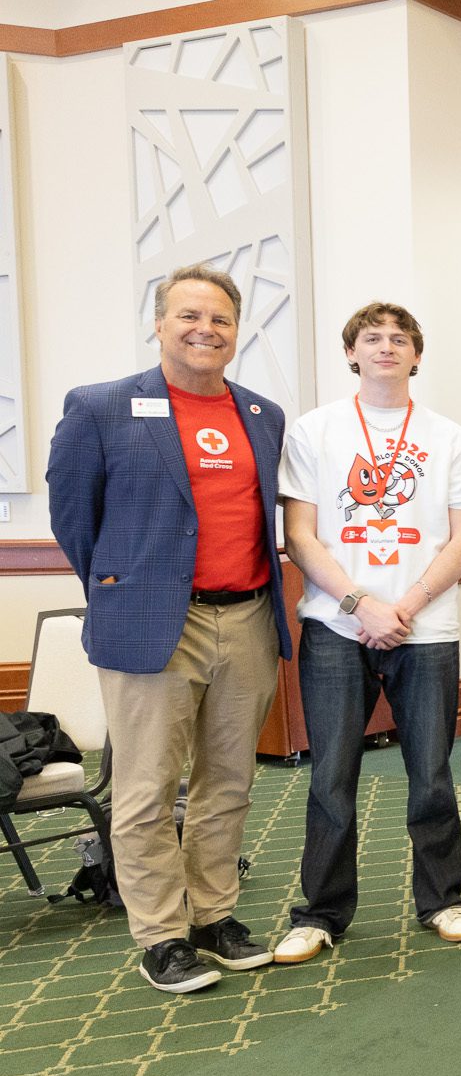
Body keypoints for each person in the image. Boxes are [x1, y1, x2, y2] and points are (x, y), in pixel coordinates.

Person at [47, 263, 292, 993]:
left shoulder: (261, 414)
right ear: (159, 323)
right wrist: (129, 589)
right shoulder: (101, 408)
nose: (204, 330)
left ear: (236, 331)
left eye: (219, 319)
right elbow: (73, 520)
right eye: (189, 316)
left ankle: (213, 914)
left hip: (246, 615)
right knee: (148, 788)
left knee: (229, 782)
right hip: (155, 623)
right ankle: (161, 933)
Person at [273, 301, 461, 964]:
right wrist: (362, 601)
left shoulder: (450, 436)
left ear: (417, 355)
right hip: (337, 624)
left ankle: (444, 899)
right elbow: (299, 535)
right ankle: (321, 912)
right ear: (352, 354)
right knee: (331, 777)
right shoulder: (315, 431)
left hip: (427, 627)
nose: (387, 347)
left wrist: (410, 603)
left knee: (431, 773)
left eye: (400, 339)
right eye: (373, 337)